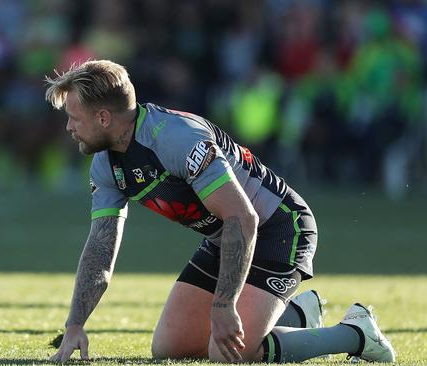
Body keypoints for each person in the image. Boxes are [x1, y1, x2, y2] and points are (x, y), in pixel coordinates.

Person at [44, 60, 395, 363]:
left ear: (104, 117)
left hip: (279, 228)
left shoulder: (177, 139)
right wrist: (75, 324)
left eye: (74, 117)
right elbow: (101, 250)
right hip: (225, 236)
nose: (69, 127)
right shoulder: (106, 165)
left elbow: (243, 217)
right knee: (171, 347)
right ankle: (298, 314)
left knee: (229, 352)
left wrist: (224, 305)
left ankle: (356, 333)